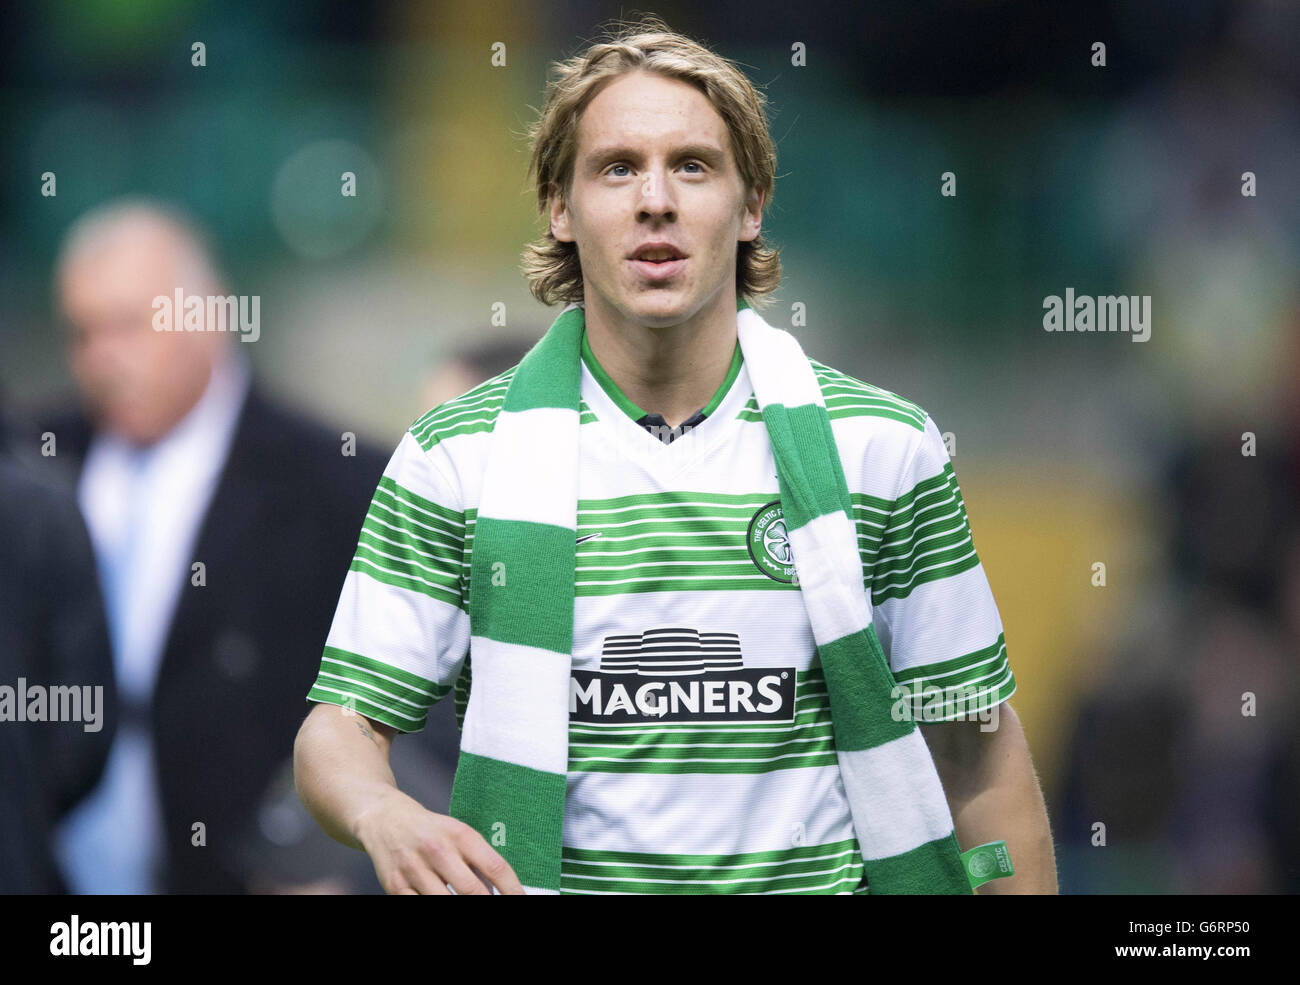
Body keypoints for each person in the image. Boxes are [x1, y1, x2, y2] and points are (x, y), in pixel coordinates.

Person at [295, 15, 1057, 895]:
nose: (655, 198)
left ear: (751, 204)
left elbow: (975, 744)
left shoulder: (881, 448)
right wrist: (381, 812)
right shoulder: (456, 453)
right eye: (617, 168)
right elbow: (339, 729)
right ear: (561, 207)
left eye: (691, 166)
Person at [31, 198, 388, 892]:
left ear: (210, 316)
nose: (104, 358)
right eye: (82, 332)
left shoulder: (338, 482)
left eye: (132, 325)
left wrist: (322, 862)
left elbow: (398, 701)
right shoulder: (33, 460)